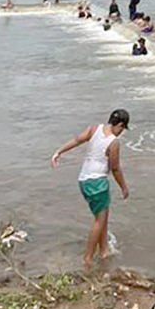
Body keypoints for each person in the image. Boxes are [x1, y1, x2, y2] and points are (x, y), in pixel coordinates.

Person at [50, 109, 131, 269]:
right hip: (97, 183)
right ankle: (87, 258)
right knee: (99, 221)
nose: (121, 132)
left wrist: (58, 152)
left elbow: (76, 140)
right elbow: (115, 168)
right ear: (120, 125)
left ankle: (104, 250)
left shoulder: (94, 129)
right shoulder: (114, 142)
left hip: (84, 180)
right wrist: (124, 187)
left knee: (103, 216)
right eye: (123, 128)